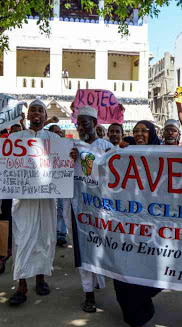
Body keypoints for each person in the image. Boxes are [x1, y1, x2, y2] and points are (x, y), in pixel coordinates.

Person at [7, 99, 64, 306]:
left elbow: (65, 162)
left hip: (47, 199)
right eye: (33, 110)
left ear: (46, 116)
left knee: (45, 238)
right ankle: (21, 285)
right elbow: (0, 160)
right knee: (22, 240)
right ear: (28, 115)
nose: (37, 114)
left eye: (41, 110)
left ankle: (41, 278)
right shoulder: (15, 138)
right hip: (23, 200)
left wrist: (71, 154)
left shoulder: (54, 139)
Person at [114, 121, 162, 327]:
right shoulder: (125, 151)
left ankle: (144, 302)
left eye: (144, 130)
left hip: (153, 224)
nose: (139, 134)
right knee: (125, 270)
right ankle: (136, 318)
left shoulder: (163, 153)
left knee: (149, 267)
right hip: (126, 221)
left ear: (151, 133)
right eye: (136, 131)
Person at [70, 106, 114, 313]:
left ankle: (99, 279)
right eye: (79, 123)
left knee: (100, 246)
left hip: (101, 207)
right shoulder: (71, 147)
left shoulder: (107, 146)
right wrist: (66, 160)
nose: (81, 127)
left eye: (85, 123)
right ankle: (88, 293)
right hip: (77, 204)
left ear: (95, 124)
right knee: (82, 248)